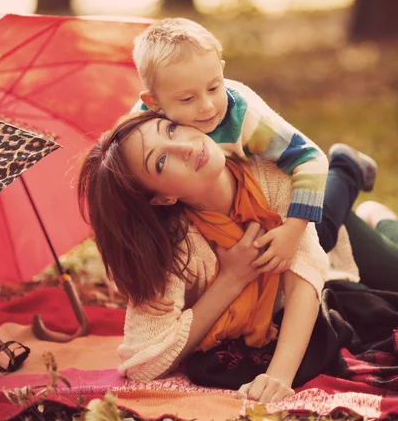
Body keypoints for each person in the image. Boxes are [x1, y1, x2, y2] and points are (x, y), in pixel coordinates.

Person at [77, 111, 398, 403]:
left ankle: (377, 217)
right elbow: (143, 363)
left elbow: (305, 267)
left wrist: (279, 375)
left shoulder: (274, 172)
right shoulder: (176, 245)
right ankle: (377, 217)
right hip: (318, 272)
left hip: (333, 260)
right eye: (160, 161)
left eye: (172, 129)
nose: (185, 148)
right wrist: (231, 279)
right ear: (162, 198)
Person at [131, 18, 331, 274]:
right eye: (188, 98)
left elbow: (310, 159)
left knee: (327, 226)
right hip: (220, 209)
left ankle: (347, 172)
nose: (207, 106)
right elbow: (123, 187)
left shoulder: (246, 117)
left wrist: (292, 232)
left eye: (214, 87)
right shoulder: (142, 131)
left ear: (222, 71)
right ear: (154, 101)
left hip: (274, 196)